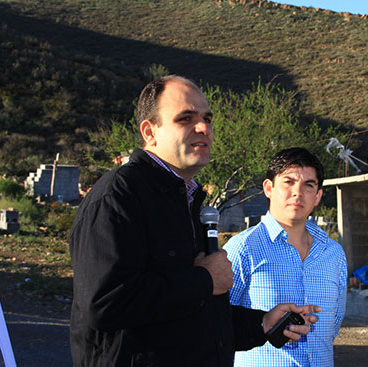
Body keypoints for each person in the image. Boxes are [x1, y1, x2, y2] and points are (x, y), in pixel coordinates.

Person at [69, 75, 320, 367]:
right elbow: (104, 305)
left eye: (207, 119)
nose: (203, 128)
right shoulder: (118, 197)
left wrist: (263, 323)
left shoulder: (186, 200)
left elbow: (195, 314)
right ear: (150, 132)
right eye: (185, 118)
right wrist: (203, 280)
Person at [224, 147, 347, 367]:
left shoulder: (333, 254)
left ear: (318, 195)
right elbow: (218, 325)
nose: (297, 192)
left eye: (309, 185)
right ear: (269, 188)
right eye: (288, 182)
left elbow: (334, 325)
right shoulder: (242, 249)